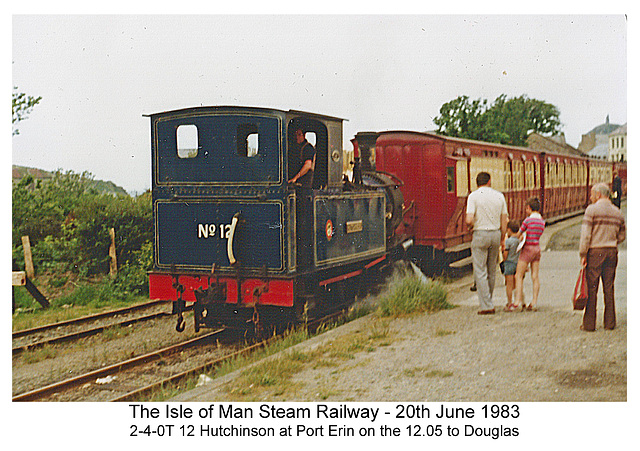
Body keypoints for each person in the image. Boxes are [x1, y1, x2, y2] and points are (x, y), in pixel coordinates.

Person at [578, 182, 626, 331]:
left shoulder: (591, 210)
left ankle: (589, 324)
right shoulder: (617, 211)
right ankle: (610, 323)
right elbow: (622, 235)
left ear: (598, 194)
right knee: (609, 287)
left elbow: (586, 235)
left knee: (592, 288)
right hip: (612, 251)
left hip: (595, 251)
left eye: (592, 195)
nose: (591, 197)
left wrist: (583, 253)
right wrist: (612, 241)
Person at [465, 172, 509, 315]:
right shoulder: (499, 196)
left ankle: (486, 305)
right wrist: (502, 238)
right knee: (491, 270)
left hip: (480, 234)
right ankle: (488, 300)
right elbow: (504, 221)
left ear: (477, 183)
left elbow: (469, 220)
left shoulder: (473, 196)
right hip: (495, 233)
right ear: (489, 181)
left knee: (480, 270)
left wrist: (470, 226)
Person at [514, 197, 545, 311]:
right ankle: (534, 302)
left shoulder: (527, 221)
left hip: (527, 249)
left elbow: (519, 234)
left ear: (529, 208)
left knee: (519, 275)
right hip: (537, 249)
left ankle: (518, 302)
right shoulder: (542, 222)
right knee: (535, 276)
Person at [502, 220, 521, 312]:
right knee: (516, 284)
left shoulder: (508, 241)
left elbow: (506, 254)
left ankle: (509, 303)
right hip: (518, 264)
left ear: (509, 230)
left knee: (509, 285)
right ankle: (519, 302)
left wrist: (503, 259)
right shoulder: (519, 241)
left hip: (509, 263)